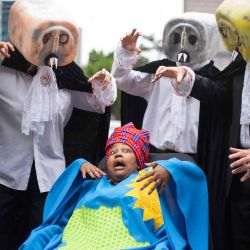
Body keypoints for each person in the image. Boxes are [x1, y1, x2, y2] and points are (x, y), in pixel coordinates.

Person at [147, 1, 250, 249]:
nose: (228, 39)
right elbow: (218, 93)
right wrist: (186, 76)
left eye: (231, 31)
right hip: (238, 175)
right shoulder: (241, 66)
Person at [0, 41, 117, 250]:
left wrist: (104, 82)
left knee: (40, 236)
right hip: (5, 172)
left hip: (50, 176)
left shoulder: (66, 77)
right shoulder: (5, 70)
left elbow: (99, 104)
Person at [20, 122, 208, 250]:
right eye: (113, 152)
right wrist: (78, 167)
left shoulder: (151, 178)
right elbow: (58, 208)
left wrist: (170, 168)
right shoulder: (92, 185)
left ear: (139, 161)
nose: (118, 155)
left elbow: (194, 174)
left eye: (126, 151)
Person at [112, 12, 222, 158]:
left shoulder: (216, 80)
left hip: (196, 160)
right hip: (154, 155)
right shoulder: (158, 72)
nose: (183, 44)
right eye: (176, 37)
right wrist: (126, 51)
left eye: (192, 38)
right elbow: (122, 79)